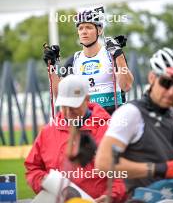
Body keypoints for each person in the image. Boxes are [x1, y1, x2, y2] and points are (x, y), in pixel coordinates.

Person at [24, 74, 127, 202]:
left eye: (73, 106)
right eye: (63, 106)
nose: (67, 112)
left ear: (87, 99)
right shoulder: (47, 132)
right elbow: (32, 168)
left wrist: (112, 195)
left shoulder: (110, 130)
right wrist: (44, 182)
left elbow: (123, 171)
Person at [95, 48, 173, 199]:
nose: (171, 91)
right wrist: (160, 169)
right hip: (145, 197)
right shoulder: (131, 113)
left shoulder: (172, 114)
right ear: (152, 78)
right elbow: (103, 163)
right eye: (166, 82)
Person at [43, 7, 134, 114]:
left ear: (99, 30)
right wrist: (51, 67)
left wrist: (119, 54)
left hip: (112, 116)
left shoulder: (112, 54)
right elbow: (60, 95)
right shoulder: (74, 60)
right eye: (80, 28)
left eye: (88, 27)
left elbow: (126, 86)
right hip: (87, 118)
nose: (84, 32)